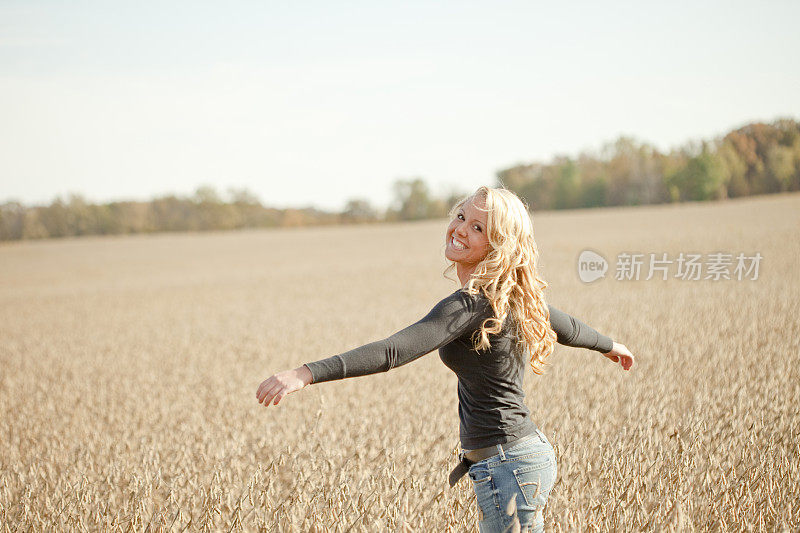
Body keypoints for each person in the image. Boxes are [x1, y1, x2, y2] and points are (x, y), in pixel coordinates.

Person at [256, 186, 634, 532]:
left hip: (508, 465)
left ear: (499, 245)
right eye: (460, 217)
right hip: (520, 457)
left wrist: (306, 373)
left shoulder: (471, 303)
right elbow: (566, 326)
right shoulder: (508, 294)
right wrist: (609, 345)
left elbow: (394, 350)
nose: (460, 229)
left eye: (478, 228)